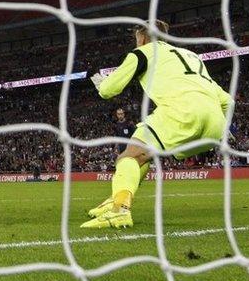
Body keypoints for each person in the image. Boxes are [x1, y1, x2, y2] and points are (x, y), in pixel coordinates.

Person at [83, 20, 233, 228]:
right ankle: (115, 199)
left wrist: (96, 79)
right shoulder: (191, 56)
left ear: (142, 37)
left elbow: (109, 90)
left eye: (136, 37)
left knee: (128, 157)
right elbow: (228, 101)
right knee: (143, 156)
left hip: (181, 112)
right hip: (215, 123)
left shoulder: (142, 53)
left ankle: (120, 210)